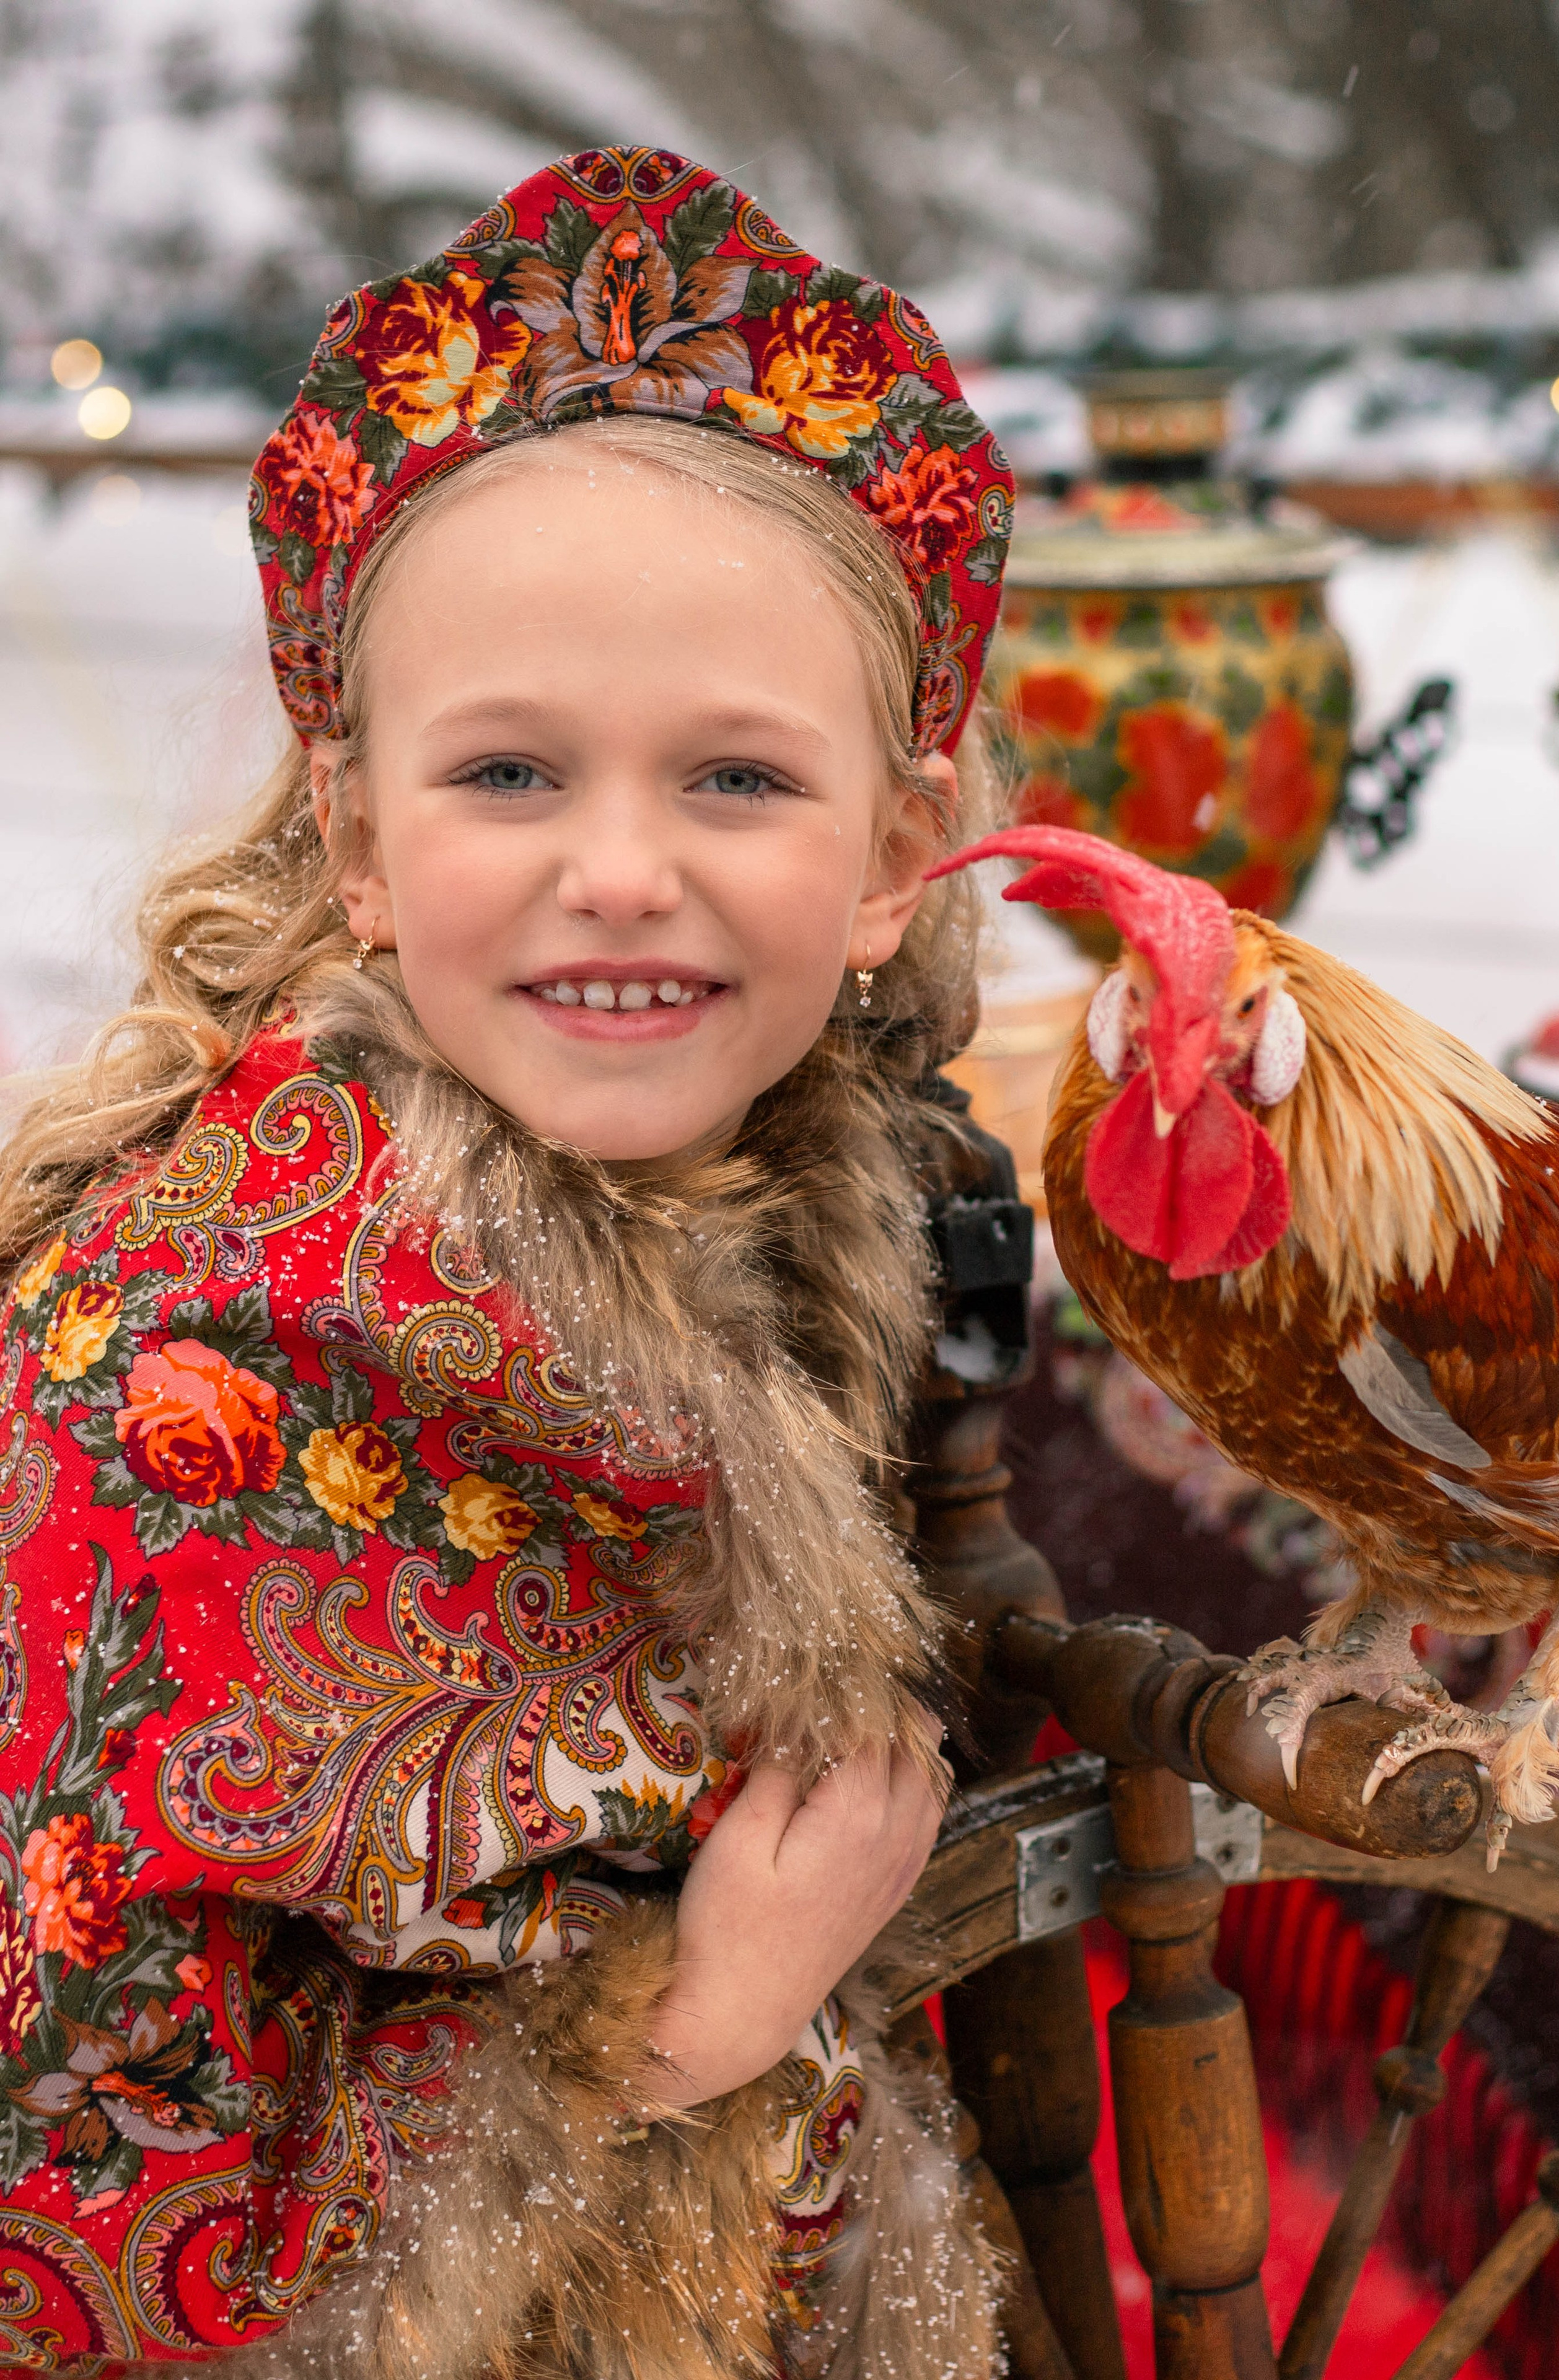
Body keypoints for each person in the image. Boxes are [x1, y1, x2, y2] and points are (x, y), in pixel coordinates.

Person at [0, 146, 1016, 2379]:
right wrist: (700, 2019)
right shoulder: (207, 1371)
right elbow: (74, 2187)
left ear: (895, 852)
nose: (623, 871)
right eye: (512, 773)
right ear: (361, 840)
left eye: (740, 779)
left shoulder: (768, 1216)